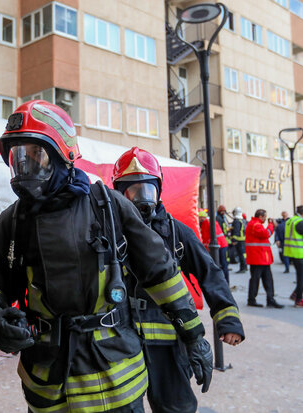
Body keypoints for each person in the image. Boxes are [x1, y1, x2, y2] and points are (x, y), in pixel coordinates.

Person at [0, 101, 213, 413]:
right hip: (48, 384)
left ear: (65, 156)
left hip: (116, 382)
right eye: (18, 156)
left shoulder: (109, 206)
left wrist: (193, 335)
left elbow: (161, 273)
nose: (26, 166)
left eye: (36, 154)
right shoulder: (12, 222)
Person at [114, 148, 244, 413]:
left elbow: (210, 272)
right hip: (121, 342)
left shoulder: (175, 232)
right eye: (132, 191)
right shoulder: (106, 233)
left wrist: (228, 320)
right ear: (118, 193)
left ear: (158, 190)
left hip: (168, 343)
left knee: (176, 408)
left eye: (146, 190)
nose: (140, 199)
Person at [245, 209, 283, 308]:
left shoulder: (255, 224)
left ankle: (269, 299)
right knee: (257, 280)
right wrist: (271, 224)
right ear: (261, 216)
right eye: (265, 217)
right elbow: (266, 234)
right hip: (258, 258)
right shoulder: (256, 224)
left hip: (261, 258)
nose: (266, 219)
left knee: (267, 279)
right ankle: (253, 300)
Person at [284, 205, 303, 308]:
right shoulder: (300, 222)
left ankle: (296, 294)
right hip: (299, 253)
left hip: (293, 252)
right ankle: (298, 299)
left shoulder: (291, 220)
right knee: (302, 277)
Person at [198, 209, 230, 283]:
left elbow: (206, 237)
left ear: (201, 217)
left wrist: (206, 247)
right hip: (222, 244)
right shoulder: (211, 221)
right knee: (223, 263)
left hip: (218, 245)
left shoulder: (206, 223)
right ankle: (226, 282)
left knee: (218, 264)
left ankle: (221, 282)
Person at [230, 207, 247, 273]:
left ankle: (242, 268)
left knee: (240, 255)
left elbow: (236, 231)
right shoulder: (242, 220)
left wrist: (234, 240)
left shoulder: (237, 221)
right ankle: (244, 267)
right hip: (242, 239)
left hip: (238, 240)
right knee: (243, 254)